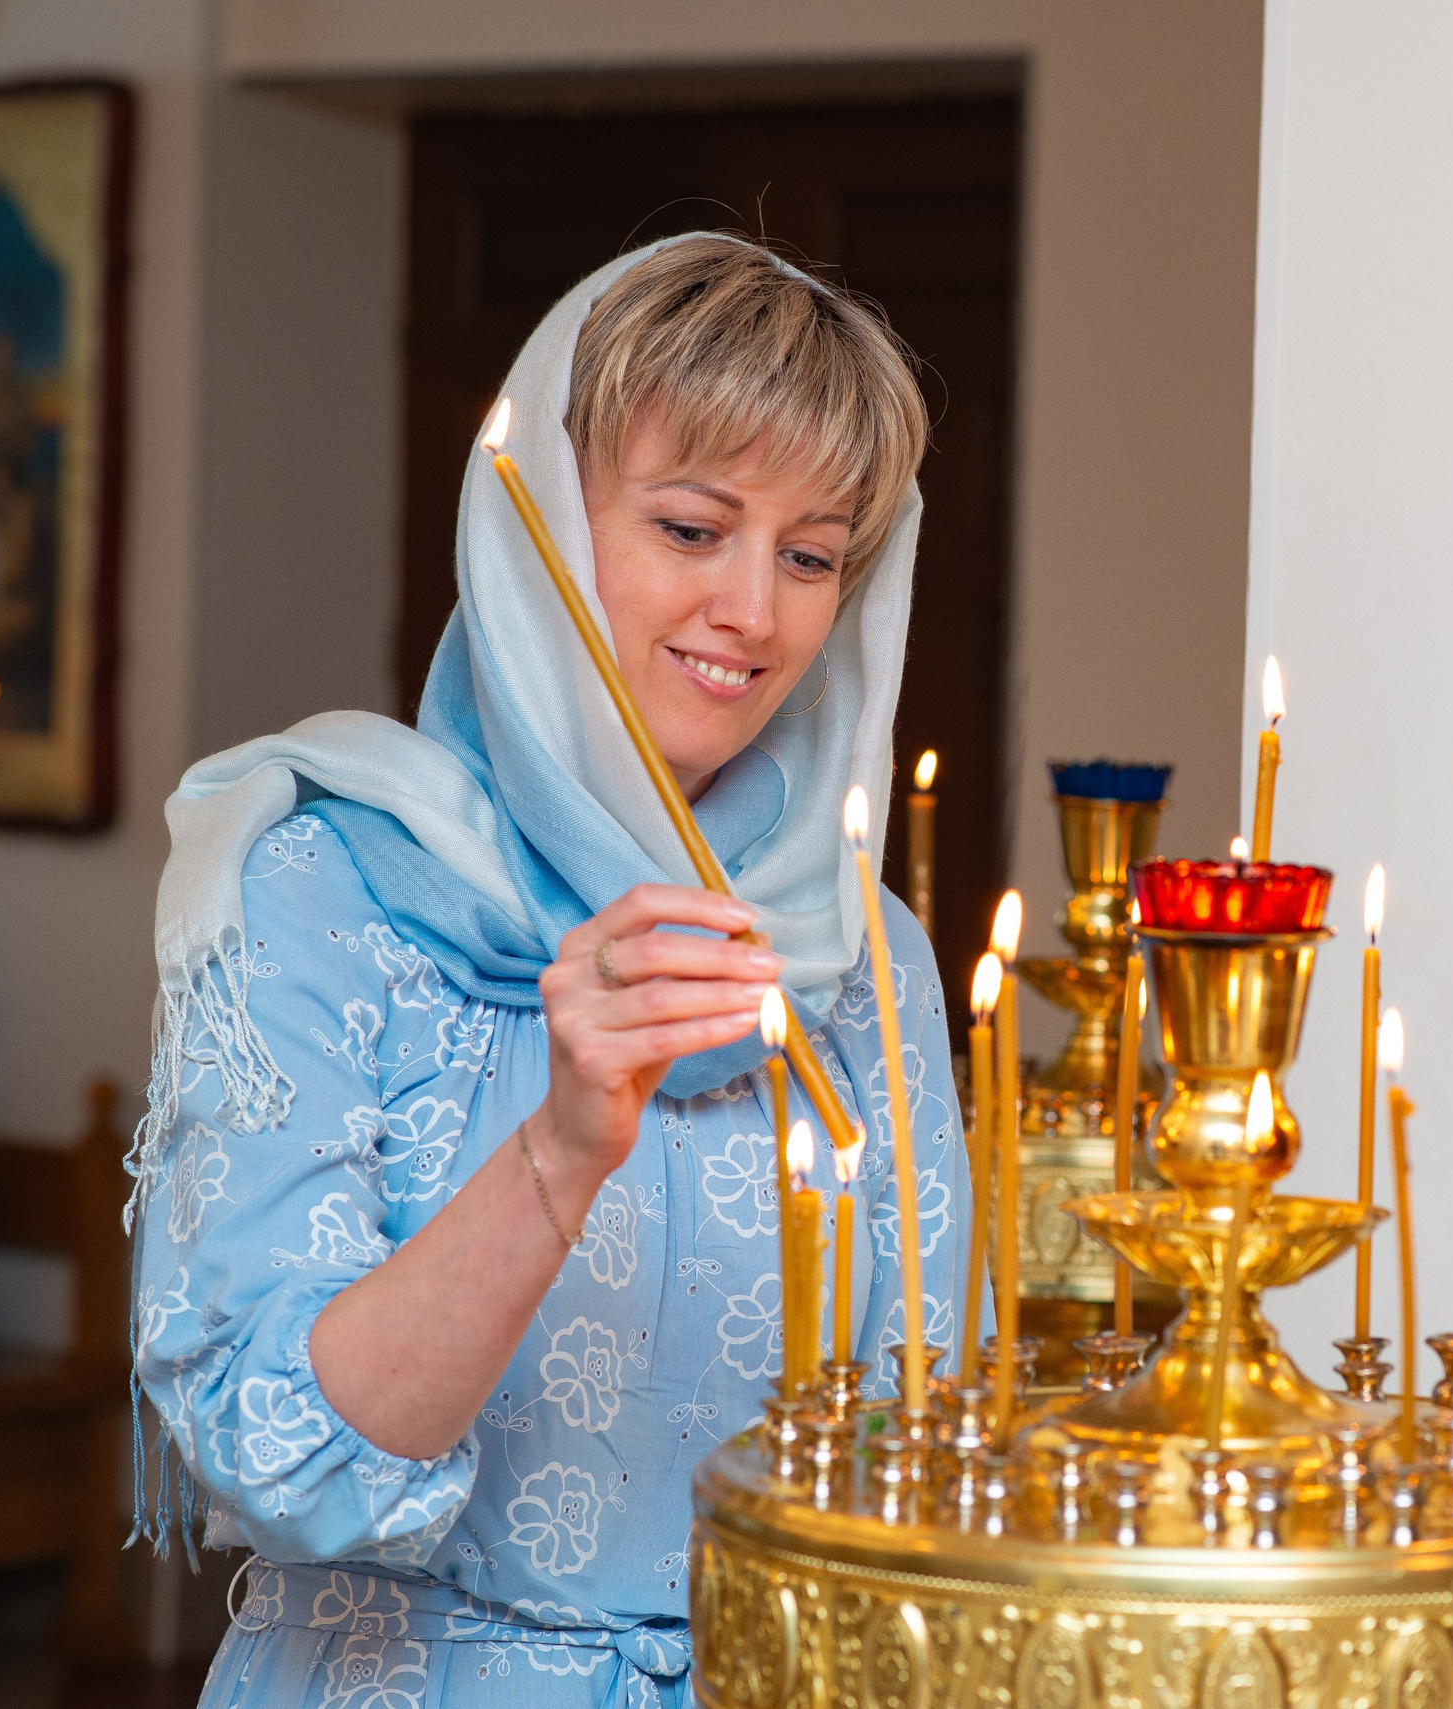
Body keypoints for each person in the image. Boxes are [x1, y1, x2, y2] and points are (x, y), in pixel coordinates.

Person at [128, 235, 979, 1708]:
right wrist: (564, 1142)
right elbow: (282, 1459)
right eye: (694, 527)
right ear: (542, 534)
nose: (755, 616)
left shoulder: (859, 952)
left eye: (812, 553)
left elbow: (919, 1463)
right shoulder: (316, 887)